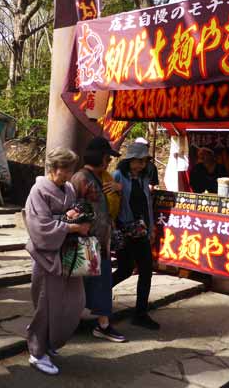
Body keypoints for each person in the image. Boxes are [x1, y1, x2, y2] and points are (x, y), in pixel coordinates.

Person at [24, 147, 90, 376]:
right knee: (46, 305)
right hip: (47, 256)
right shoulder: (38, 190)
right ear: (54, 168)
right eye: (67, 168)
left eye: (72, 168)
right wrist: (70, 225)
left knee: (75, 301)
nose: (71, 173)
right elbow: (39, 227)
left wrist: (79, 216)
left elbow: (73, 211)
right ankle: (37, 351)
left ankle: (51, 341)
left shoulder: (69, 188)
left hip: (69, 253)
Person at [71, 137, 126, 343]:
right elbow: (72, 209)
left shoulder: (97, 177)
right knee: (88, 285)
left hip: (98, 242)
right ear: (101, 157)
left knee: (96, 284)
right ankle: (99, 324)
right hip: (87, 242)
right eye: (107, 157)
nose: (109, 161)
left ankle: (98, 323)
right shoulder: (81, 178)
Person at [112, 142, 159, 330]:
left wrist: (151, 227)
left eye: (144, 161)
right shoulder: (118, 176)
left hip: (141, 230)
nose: (141, 165)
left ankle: (141, 313)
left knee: (146, 269)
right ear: (129, 160)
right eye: (138, 161)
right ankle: (94, 294)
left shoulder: (144, 178)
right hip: (125, 230)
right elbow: (111, 204)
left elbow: (148, 204)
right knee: (125, 269)